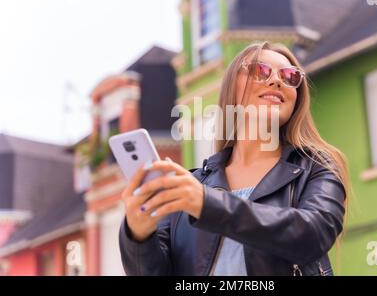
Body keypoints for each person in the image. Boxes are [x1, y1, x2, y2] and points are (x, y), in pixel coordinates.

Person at [119, 41, 349, 276]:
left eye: (290, 76)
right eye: (260, 70)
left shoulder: (318, 168)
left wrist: (206, 204)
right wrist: (137, 234)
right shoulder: (191, 187)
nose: (277, 81)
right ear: (232, 87)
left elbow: (312, 234)